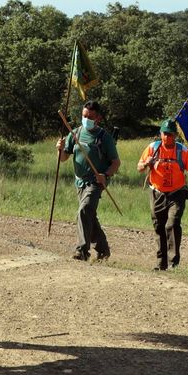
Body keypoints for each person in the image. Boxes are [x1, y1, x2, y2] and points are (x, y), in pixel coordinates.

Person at [57, 100, 120, 262]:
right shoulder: (75, 133)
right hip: (79, 182)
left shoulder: (104, 138)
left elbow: (115, 162)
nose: (86, 119)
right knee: (89, 215)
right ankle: (103, 249)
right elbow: (64, 158)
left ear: (98, 118)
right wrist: (60, 149)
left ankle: (82, 250)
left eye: (90, 117)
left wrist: (105, 176)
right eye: (84, 116)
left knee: (83, 211)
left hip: (96, 182)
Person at [138, 119, 188, 270]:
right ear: (161, 134)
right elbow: (139, 167)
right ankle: (161, 263)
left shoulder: (182, 151)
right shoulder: (153, 148)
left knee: (172, 223)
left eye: (170, 134)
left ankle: (173, 262)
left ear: (175, 135)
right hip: (156, 193)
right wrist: (146, 164)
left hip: (176, 194)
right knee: (159, 227)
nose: (167, 137)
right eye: (165, 134)